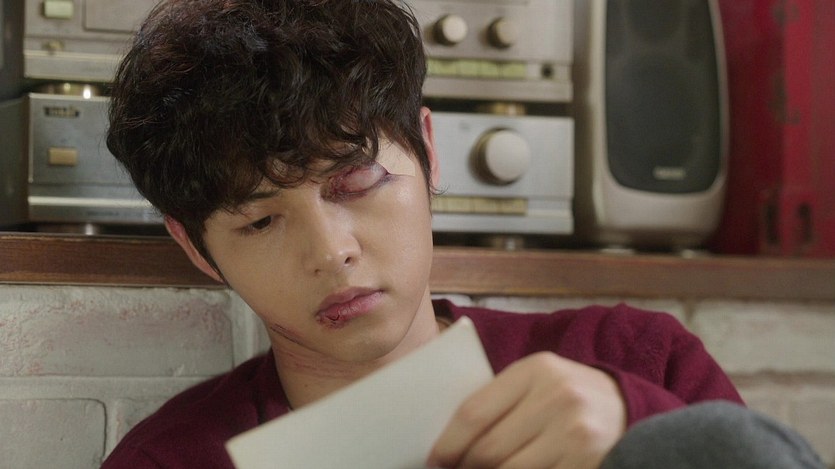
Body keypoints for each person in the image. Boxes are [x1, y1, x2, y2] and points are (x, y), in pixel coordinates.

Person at [102, 0, 824, 468]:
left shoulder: (633, 357)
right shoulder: (173, 460)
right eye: (260, 221)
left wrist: (648, 434)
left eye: (355, 183)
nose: (331, 253)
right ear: (196, 246)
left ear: (427, 149)